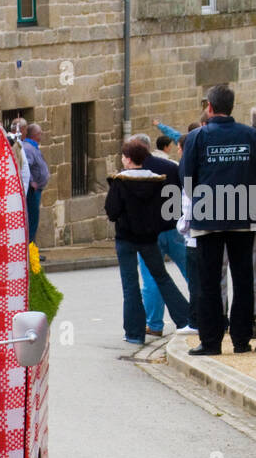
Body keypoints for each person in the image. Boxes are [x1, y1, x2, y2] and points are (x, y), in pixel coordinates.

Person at [179, 83, 256, 356]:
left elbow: (187, 178)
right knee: (243, 279)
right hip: (244, 215)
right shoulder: (250, 135)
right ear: (231, 106)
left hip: (208, 216)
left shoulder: (198, 137)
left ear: (209, 107)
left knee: (209, 282)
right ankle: (241, 339)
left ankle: (211, 342)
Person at [104, 138, 190, 345]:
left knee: (130, 285)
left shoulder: (119, 182)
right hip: (149, 237)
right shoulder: (156, 181)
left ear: (128, 159)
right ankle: (185, 318)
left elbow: (112, 211)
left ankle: (134, 333)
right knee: (162, 278)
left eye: (124, 157)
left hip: (126, 238)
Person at [129, 132, 190, 336]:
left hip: (148, 234)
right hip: (172, 228)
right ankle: (202, 314)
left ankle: (154, 324)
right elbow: (183, 194)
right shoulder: (170, 167)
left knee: (151, 279)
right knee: (191, 272)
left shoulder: (133, 173)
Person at [21, 122, 49, 245]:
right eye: (40, 133)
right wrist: (32, 181)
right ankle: (30, 250)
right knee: (32, 219)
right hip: (33, 192)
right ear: (35, 134)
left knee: (34, 219)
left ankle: (32, 250)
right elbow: (26, 166)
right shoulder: (28, 148)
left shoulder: (33, 147)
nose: (41, 135)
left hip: (37, 190)